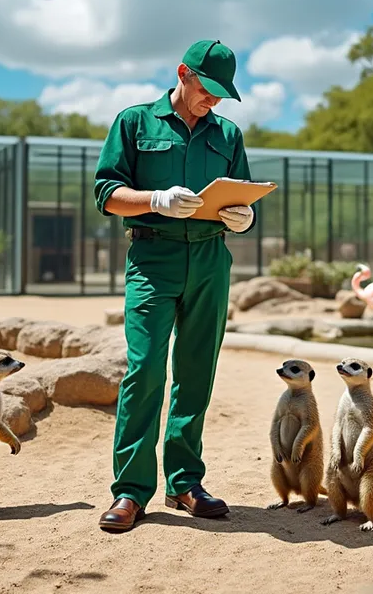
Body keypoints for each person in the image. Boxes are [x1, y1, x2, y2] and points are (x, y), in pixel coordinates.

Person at [92, 39, 257, 533]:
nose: (216, 101)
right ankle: (131, 491)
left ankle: (184, 482)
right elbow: (107, 194)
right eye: (209, 89)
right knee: (144, 370)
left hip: (210, 258)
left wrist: (243, 217)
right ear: (184, 74)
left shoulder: (228, 134)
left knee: (196, 370)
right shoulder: (134, 122)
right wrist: (156, 200)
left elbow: (243, 192)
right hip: (152, 258)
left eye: (223, 94)